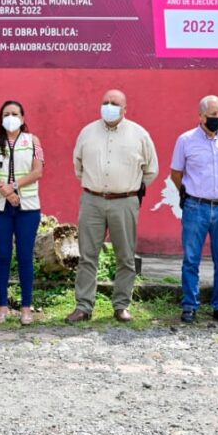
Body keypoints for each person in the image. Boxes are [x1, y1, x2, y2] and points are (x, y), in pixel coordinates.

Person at [68, 90, 158, 323]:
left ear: (125, 109)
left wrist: (131, 190)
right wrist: (95, 185)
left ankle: (121, 305)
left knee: (125, 256)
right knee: (87, 256)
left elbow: (151, 170)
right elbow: (78, 165)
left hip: (125, 201)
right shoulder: (87, 132)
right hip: (92, 200)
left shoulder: (139, 135)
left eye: (115, 103)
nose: (109, 106)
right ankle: (83, 306)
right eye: (106, 102)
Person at [170, 95, 218, 324]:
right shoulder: (185, 140)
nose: (217, 118)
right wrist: (188, 192)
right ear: (201, 116)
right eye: (213, 114)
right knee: (191, 259)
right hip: (196, 207)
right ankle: (190, 305)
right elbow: (176, 173)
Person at [0, 100, 44, 325]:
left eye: (15, 113)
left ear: (23, 118)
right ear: (1, 118)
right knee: (3, 255)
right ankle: (2, 306)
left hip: (28, 207)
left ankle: (26, 307)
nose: (11, 117)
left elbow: (38, 171)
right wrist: (5, 191)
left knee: (25, 256)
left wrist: (14, 186)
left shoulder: (33, 141)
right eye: (6, 114)